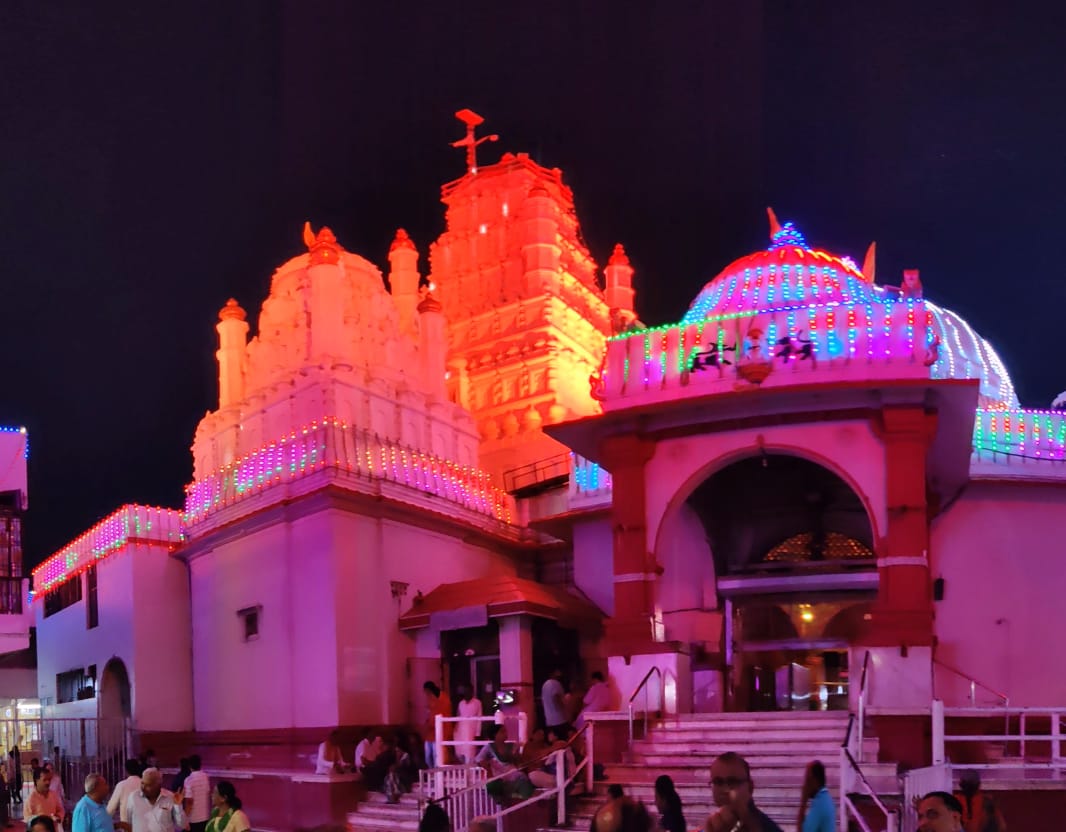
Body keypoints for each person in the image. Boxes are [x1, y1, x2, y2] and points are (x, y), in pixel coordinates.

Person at [704, 752, 783, 832]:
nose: (725, 789)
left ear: (750, 787)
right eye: (718, 782)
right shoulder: (712, 826)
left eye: (732, 782)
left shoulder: (766, 828)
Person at [475, 724, 534, 804]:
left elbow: (519, 762)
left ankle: (519, 800)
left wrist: (516, 754)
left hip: (513, 775)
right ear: (495, 735)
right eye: (502, 731)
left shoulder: (512, 745)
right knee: (492, 785)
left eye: (506, 731)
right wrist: (489, 769)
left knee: (524, 782)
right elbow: (479, 759)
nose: (506, 733)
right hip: (498, 776)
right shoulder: (489, 747)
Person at [422, 682, 453, 769]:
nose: (426, 694)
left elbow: (445, 714)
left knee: (438, 756)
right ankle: (431, 772)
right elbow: (429, 713)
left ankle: (437, 775)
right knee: (428, 756)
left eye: (426, 691)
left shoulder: (444, 699)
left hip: (440, 732)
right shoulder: (430, 699)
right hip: (429, 733)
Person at [797, 760, 834, 832]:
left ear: (814, 780)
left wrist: (803, 801)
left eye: (807, 779)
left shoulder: (820, 804)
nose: (804, 785)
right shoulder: (825, 798)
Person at [182, 755, 211, 832]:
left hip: (193, 819)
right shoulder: (206, 777)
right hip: (205, 817)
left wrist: (185, 819)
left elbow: (189, 802)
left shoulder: (188, 780)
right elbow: (208, 793)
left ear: (189, 766)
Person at [455, 687, 484, 764]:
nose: (466, 694)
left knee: (469, 751)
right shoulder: (461, 703)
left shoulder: (477, 703)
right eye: (465, 692)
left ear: (472, 692)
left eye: (468, 692)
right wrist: (456, 729)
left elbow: (479, 718)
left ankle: (469, 772)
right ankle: (464, 768)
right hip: (460, 730)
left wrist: (478, 733)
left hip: (471, 730)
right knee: (459, 752)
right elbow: (458, 716)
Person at [542, 670, 568, 738]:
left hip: (549, 720)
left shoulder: (545, 685)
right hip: (559, 719)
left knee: (553, 742)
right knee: (562, 742)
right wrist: (564, 710)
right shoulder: (556, 683)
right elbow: (557, 698)